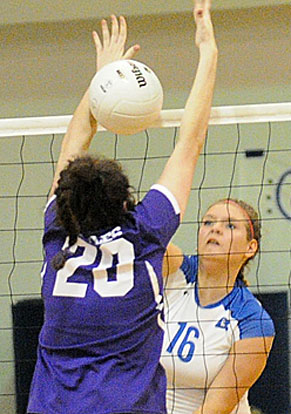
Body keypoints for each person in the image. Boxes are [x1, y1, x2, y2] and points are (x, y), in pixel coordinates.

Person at [27, 1, 218, 413]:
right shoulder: (146, 232)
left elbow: (73, 140)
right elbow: (192, 141)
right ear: (128, 202)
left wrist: (102, 82)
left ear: (64, 201)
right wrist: (208, 51)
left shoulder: (57, 232)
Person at [161, 198, 275, 414]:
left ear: (250, 248)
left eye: (230, 225)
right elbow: (142, 238)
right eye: (208, 223)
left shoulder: (253, 321)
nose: (215, 229)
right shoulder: (176, 272)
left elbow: (214, 409)